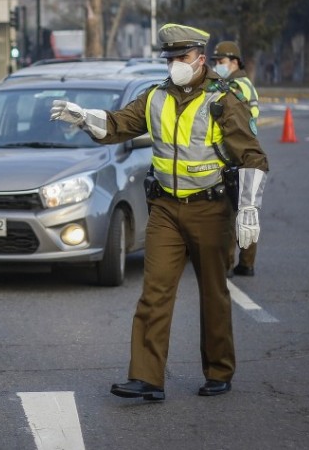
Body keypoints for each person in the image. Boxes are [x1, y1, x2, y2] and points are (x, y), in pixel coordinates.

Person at [50, 23, 269, 400]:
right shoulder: (155, 97)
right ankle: (147, 379)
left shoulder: (222, 99)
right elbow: (119, 124)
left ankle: (218, 370)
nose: (174, 65)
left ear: (201, 58)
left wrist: (249, 208)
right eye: (170, 59)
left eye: (181, 58)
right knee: (154, 293)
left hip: (210, 207)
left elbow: (252, 156)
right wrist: (86, 117)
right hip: (166, 208)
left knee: (214, 293)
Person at [213, 40, 261, 277]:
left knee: (231, 213)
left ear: (234, 62)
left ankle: (228, 264)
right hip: (249, 153)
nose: (217, 66)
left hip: (236, 155)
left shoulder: (234, 87)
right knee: (247, 209)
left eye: (220, 62)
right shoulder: (245, 83)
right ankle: (247, 262)